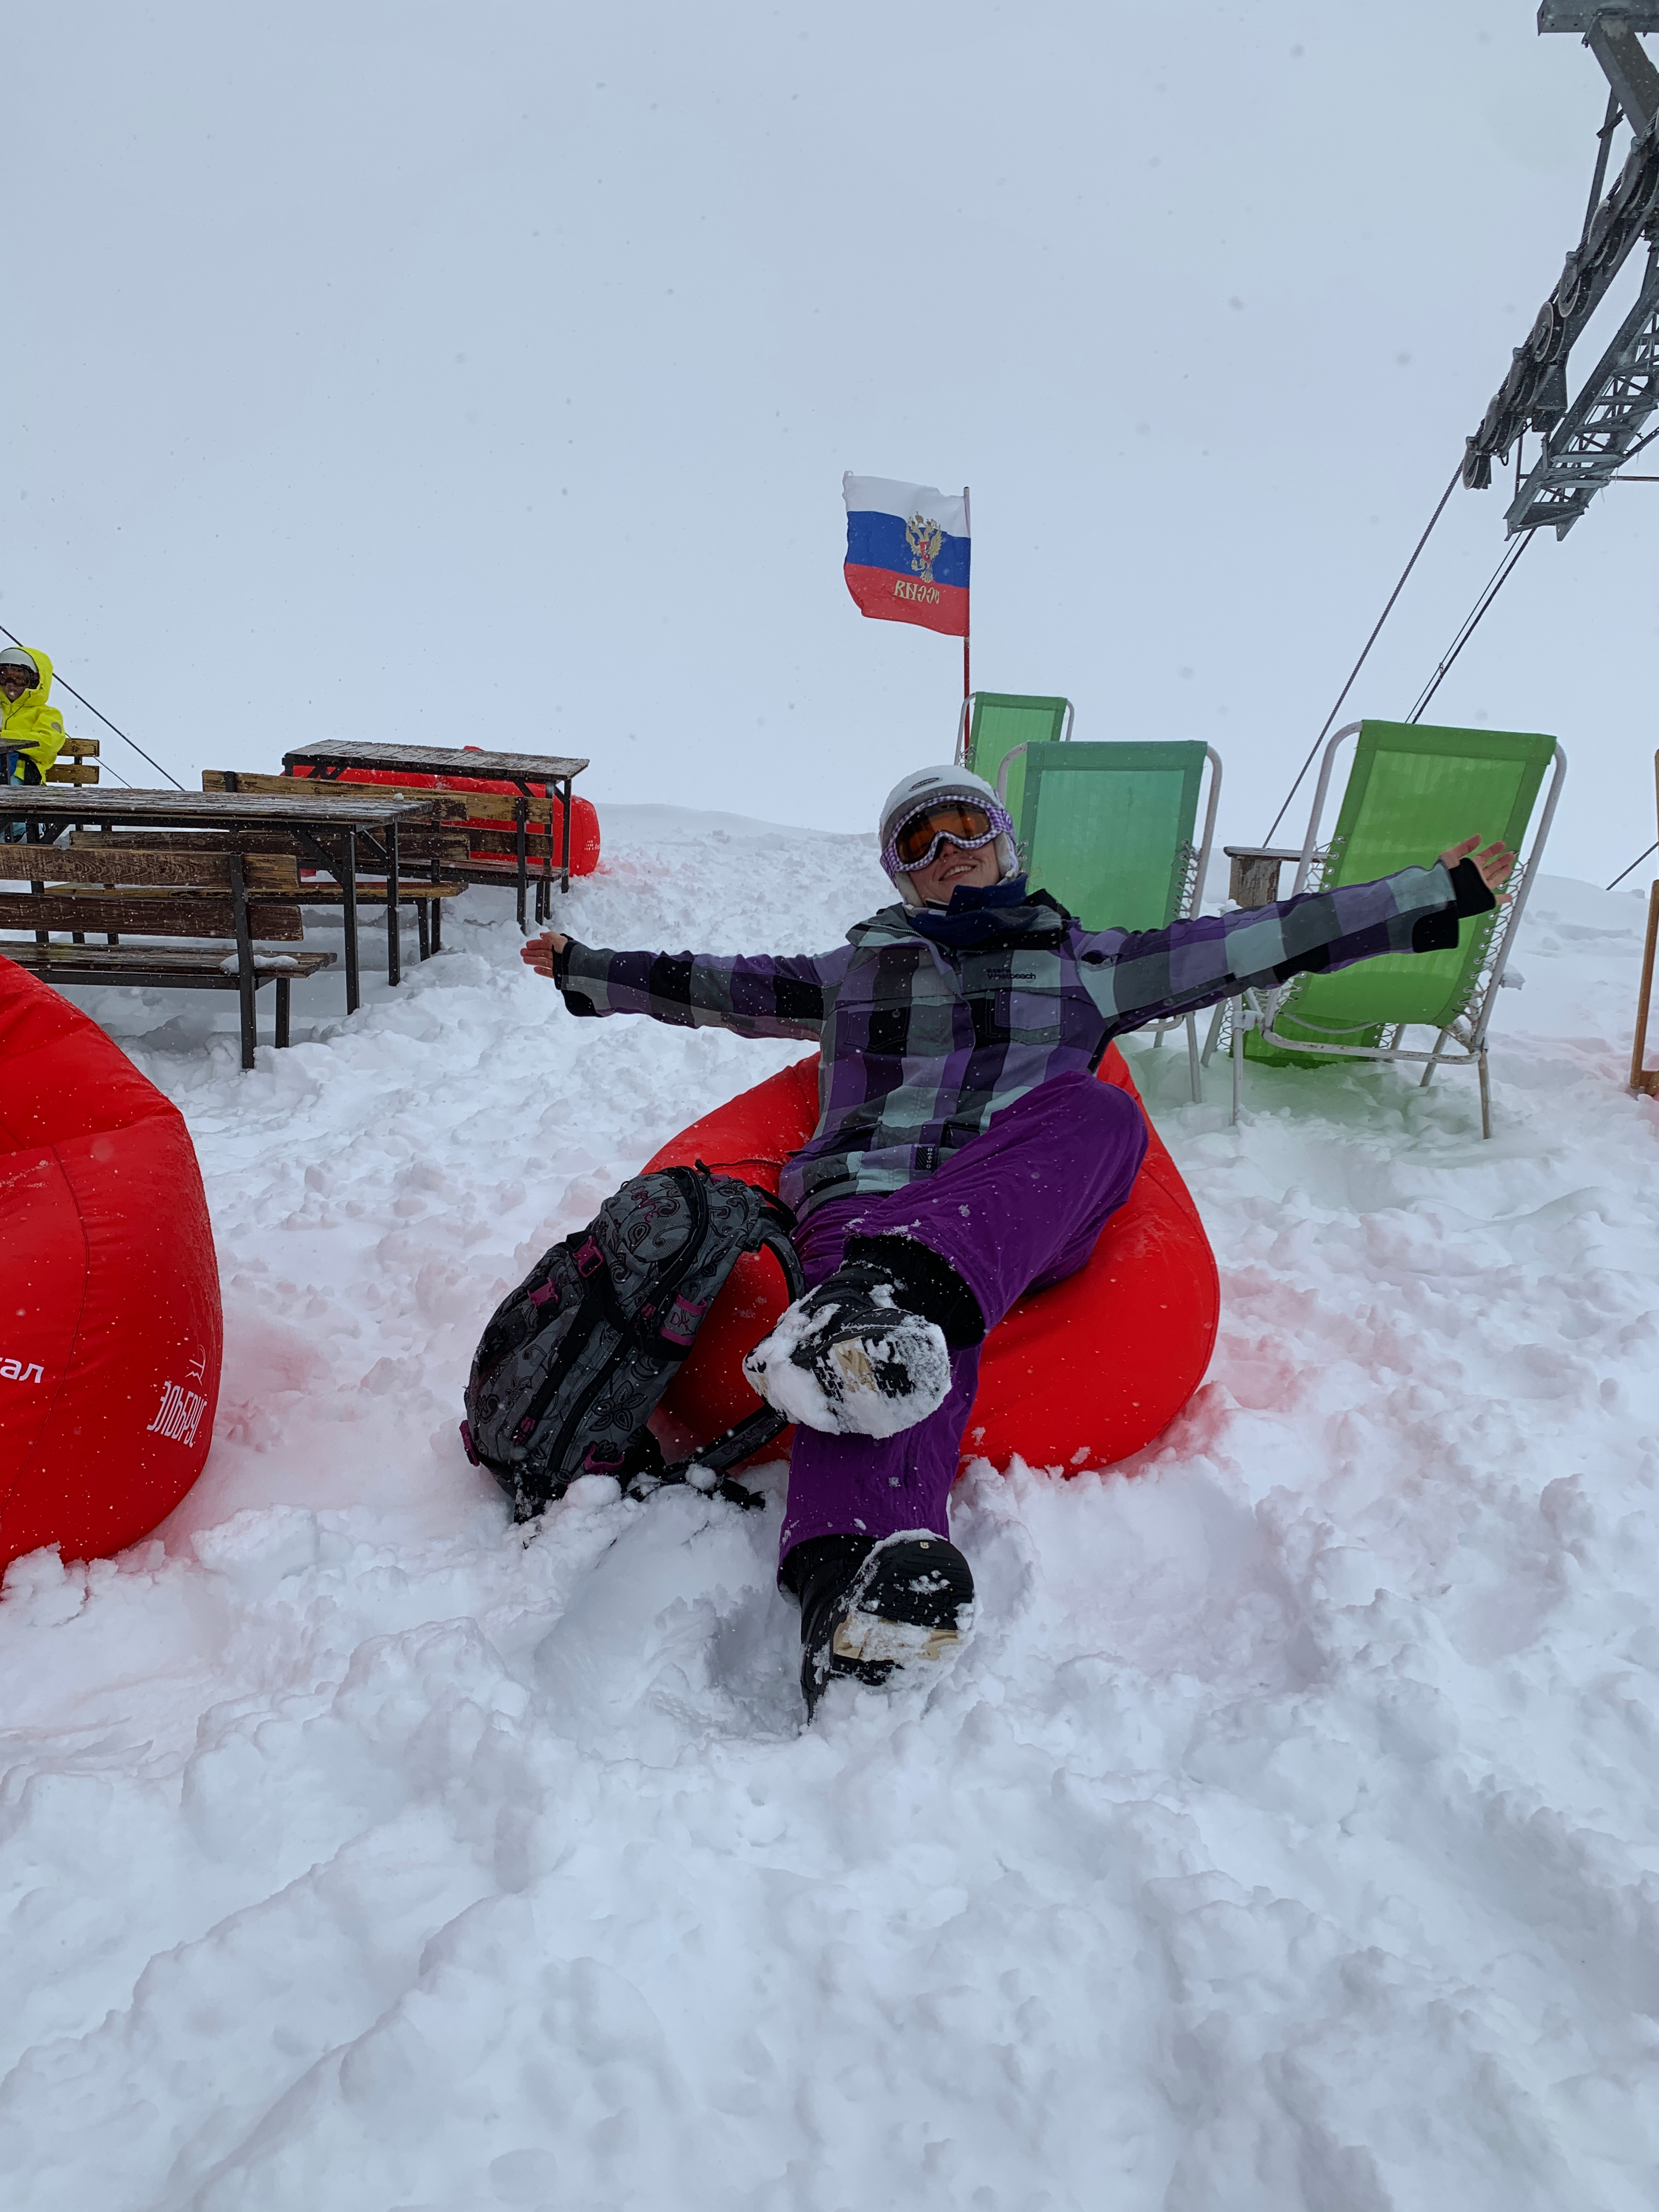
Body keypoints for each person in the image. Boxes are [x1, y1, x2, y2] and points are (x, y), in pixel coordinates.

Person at [521, 763, 1514, 1715]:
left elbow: (1259, 938)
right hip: (865, 1209)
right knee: (885, 1340)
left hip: (1014, 1211)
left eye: (967, 828)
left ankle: (879, 1303)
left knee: (1098, 1116)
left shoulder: (1086, 965)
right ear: (897, 874)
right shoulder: (856, 973)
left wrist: (1433, 892)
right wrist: (586, 970)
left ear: (1005, 845)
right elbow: (710, 985)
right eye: (920, 840)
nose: (948, 850)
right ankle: (843, 1588)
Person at [1, 647, 67, 839]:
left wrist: (4, 736)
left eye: (19, 678)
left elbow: (48, 742)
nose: (10, 684)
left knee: (9, 790)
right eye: (4, 677)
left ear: (36, 680)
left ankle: (19, 833)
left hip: (23, 775)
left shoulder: (45, 714)